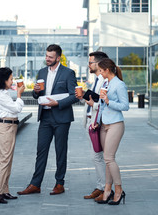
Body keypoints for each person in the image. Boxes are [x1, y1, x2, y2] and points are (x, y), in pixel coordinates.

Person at [17, 44, 79, 196]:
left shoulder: (68, 73)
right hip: (45, 117)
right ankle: (35, 184)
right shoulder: (42, 72)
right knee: (41, 151)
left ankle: (59, 184)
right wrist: (36, 92)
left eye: (50, 57)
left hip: (61, 118)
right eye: (46, 56)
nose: (47, 59)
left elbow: (74, 96)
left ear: (58, 58)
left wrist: (57, 103)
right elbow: (37, 95)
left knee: (60, 151)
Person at [92, 58, 129, 205]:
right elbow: (101, 106)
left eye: (101, 70)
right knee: (107, 159)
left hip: (115, 124)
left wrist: (108, 101)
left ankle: (119, 189)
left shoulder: (119, 85)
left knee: (109, 158)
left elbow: (125, 106)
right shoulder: (106, 83)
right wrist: (97, 122)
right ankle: (107, 190)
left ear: (107, 70)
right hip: (104, 125)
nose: (100, 73)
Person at [0, 67, 25, 204]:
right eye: (10, 79)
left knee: (7, 161)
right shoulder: (0, 95)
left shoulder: (4, 93)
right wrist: (20, 94)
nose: (12, 81)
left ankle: (4, 190)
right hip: (5, 127)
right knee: (3, 161)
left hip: (10, 127)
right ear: (4, 80)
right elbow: (16, 108)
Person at [75, 51, 108, 202]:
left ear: (98, 64)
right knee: (96, 157)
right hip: (90, 121)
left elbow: (103, 104)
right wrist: (84, 98)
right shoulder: (96, 80)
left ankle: (103, 188)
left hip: (98, 123)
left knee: (98, 156)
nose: (88, 65)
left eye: (90, 63)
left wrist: (92, 104)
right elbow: (94, 101)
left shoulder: (105, 81)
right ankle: (101, 186)